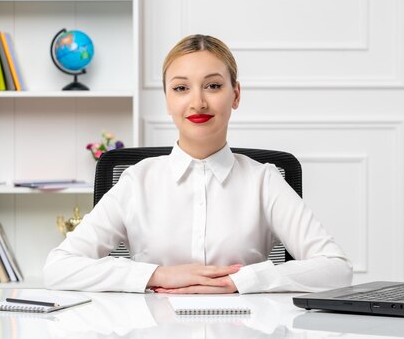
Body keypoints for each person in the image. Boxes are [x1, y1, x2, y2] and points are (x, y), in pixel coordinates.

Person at [43, 34, 352, 294]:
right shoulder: (137, 181)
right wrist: (157, 275)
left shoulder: (264, 181)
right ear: (167, 99)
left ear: (236, 95)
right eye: (181, 88)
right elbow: (58, 268)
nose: (198, 102)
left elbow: (336, 269)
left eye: (213, 86)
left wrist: (241, 281)